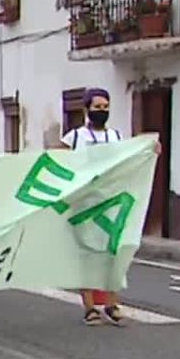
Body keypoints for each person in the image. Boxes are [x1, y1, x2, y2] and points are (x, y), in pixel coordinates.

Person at [59, 87, 126, 326]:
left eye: (106, 107)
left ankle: (111, 303)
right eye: (97, 107)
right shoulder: (75, 137)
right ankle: (90, 307)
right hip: (85, 204)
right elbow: (59, 161)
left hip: (111, 202)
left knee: (112, 253)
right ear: (87, 109)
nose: (102, 111)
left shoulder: (116, 137)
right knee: (86, 253)